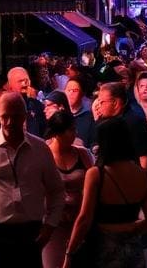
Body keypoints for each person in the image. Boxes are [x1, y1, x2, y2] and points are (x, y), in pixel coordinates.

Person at [0, 92, 65, 268]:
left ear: (25, 117)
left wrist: (50, 225)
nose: (9, 122)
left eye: (15, 117)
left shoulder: (40, 149)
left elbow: (56, 190)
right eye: (5, 117)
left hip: (30, 232)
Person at [64, 118, 147, 268]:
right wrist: (130, 229)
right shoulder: (145, 175)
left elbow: (84, 219)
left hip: (103, 249)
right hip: (133, 250)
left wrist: (69, 253)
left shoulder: (96, 174)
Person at [43, 111, 94, 268]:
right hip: (53, 226)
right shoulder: (44, 153)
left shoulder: (82, 154)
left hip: (79, 224)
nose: (75, 133)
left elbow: (93, 183)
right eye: (71, 130)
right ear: (58, 133)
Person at [95, 81, 147, 168]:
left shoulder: (136, 122)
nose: (98, 106)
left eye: (102, 102)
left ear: (115, 103)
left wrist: (141, 178)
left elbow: (144, 157)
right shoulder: (103, 121)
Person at [8, 66, 47, 136]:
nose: (25, 83)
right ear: (10, 86)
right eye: (20, 81)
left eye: (26, 80)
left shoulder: (38, 106)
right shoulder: (5, 106)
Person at [64, 78, 94, 147]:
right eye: (68, 90)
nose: (70, 93)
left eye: (75, 90)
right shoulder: (60, 116)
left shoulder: (90, 118)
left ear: (82, 93)